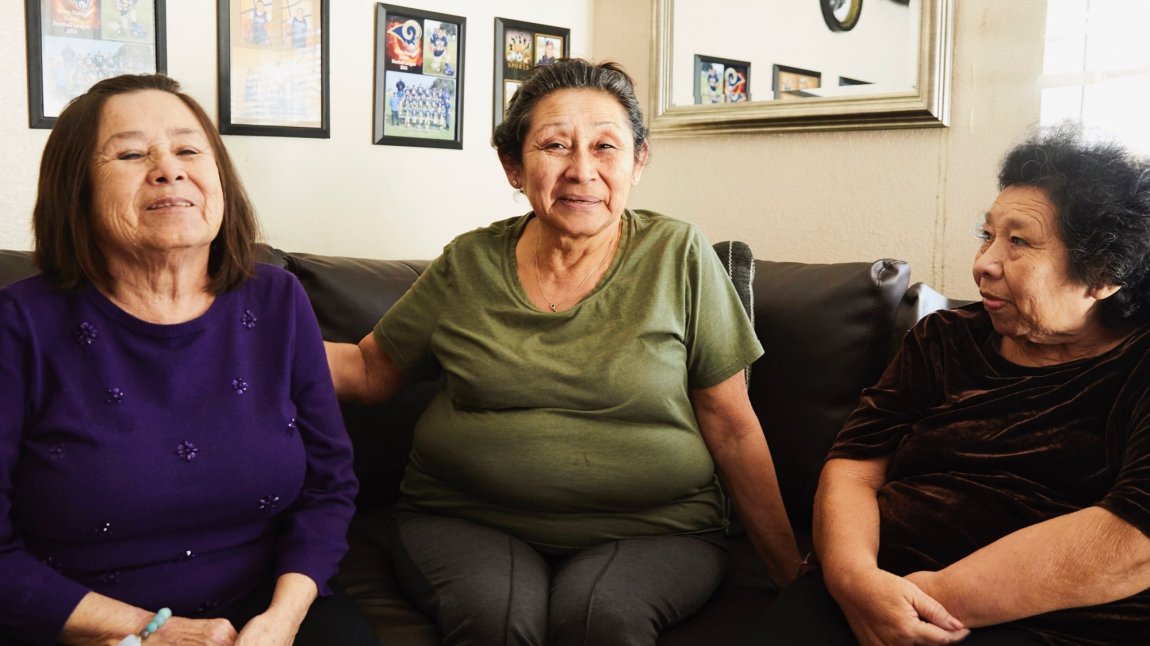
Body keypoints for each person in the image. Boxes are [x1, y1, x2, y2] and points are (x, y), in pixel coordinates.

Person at [325, 58, 802, 644]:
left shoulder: (678, 254)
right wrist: (246, 338)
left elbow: (731, 426)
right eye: (555, 145)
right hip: (464, 517)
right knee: (496, 621)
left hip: (654, 529)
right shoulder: (469, 261)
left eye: (606, 147)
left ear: (638, 162)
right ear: (513, 167)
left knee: (599, 618)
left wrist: (790, 573)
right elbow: (372, 370)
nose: (583, 171)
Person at [0, 74, 376, 645]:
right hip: (82, 619)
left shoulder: (277, 301)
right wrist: (151, 632)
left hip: (260, 610)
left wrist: (282, 619)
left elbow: (329, 486)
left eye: (188, 149)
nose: (168, 169)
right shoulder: (19, 323)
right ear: (75, 188)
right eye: (130, 153)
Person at [756, 124, 1150, 644]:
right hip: (876, 579)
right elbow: (853, 466)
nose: (984, 264)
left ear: (1103, 273)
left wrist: (930, 600)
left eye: (1019, 242)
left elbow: (1131, 538)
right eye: (987, 235)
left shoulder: (1138, 366)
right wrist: (853, 580)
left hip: (1041, 616)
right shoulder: (944, 339)